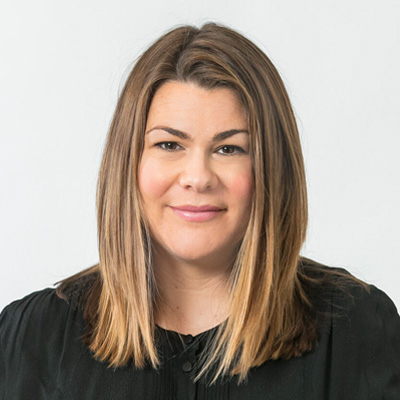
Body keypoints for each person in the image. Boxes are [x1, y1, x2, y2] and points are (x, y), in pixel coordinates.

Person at [1, 22, 399, 400]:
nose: (197, 177)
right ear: (128, 163)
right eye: (169, 145)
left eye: (229, 148)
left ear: (273, 170)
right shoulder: (32, 337)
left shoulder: (357, 330)